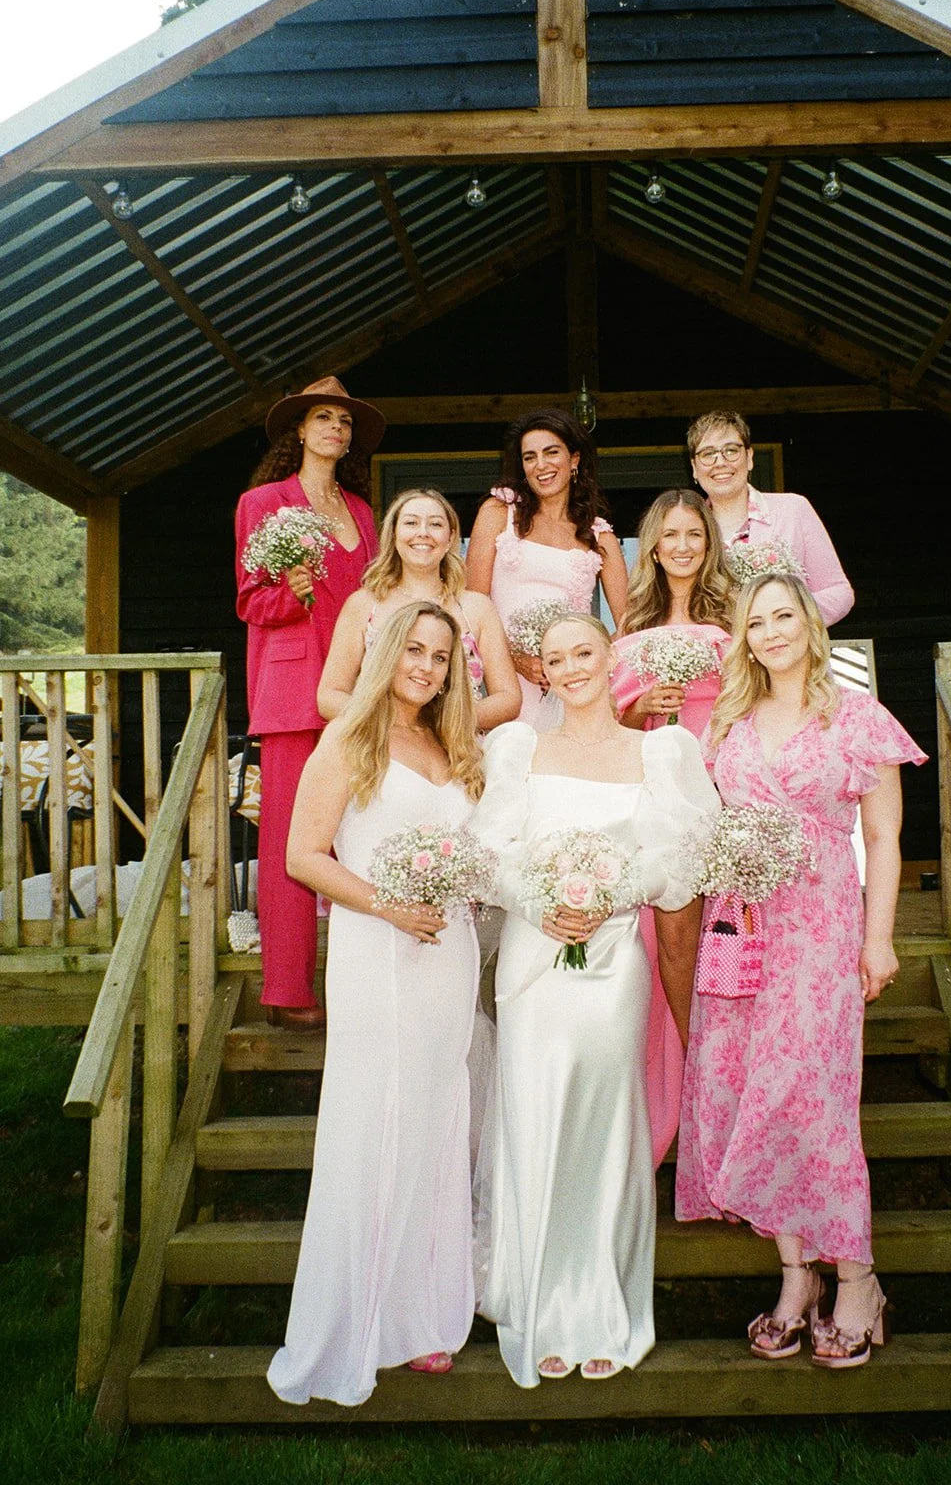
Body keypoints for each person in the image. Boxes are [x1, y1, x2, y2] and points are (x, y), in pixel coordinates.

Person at [675, 573, 926, 1370]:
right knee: (749, 1086)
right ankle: (794, 1279)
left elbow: (883, 839)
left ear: (809, 626)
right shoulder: (730, 720)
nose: (771, 632)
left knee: (811, 1098)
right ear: (743, 638)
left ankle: (856, 1278)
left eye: (784, 616)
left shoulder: (856, 716)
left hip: (820, 928)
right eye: (757, 623)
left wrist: (877, 940)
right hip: (742, 928)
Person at [471, 614, 719, 1387]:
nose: (572, 668)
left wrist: (610, 890)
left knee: (605, 1126)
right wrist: (541, 902)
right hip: (533, 958)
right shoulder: (516, 748)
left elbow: (681, 859)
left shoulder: (661, 750)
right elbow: (488, 855)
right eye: (556, 659)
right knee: (536, 1115)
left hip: (613, 961)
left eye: (585, 652)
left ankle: (601, 1302)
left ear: (612, 659)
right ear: (541, 672)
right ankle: (542, 1302)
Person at [267, 602, 485, 1405]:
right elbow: (301, 856)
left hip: (448, 952)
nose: (425, 667)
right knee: (376, 1123)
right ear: (387, 653)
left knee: (433, 1120)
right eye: (413, 651)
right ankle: (355, 1325)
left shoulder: (451, 745)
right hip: (377, 951)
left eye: (439, 656)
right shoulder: (349, 739)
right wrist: (387, 905)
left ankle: (421, 1317)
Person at [235, 375, 382, 1031]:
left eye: (344, 422)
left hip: (358, 694)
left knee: (362, 834)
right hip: (294, 693)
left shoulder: (363, 511)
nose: (335, 429)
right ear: (299, 429)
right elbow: (249, 601)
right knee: (292, 842)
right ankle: (287, 990)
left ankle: (367, 981)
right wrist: (290, 590)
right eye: (323, 418)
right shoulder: (262, 502)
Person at [609, 489, 735, 1166]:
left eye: (693, 534)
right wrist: (642, 710)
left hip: (722, 792)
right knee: (668, 950)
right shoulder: (630, 629)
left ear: (707, 544)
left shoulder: (737, 622)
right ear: (652, 547)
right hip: (655, 804)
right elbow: (613, 731)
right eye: (670, 535)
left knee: (726, 949)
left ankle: (723, 1098)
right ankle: (676, 1102)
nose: (682, 546)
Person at [466, 409, 628, 724]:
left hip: (567, 688)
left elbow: (628, 622)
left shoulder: (599, 536)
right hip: (501, 682)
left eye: (551, 452)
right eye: (530, 457)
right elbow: (473, 605)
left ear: (574, 459)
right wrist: (513, 659)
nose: (541, 465)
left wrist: (583, 663)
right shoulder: (499, 512)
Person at [317, 487, 520, 733]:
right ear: (393, 535)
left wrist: (445, 723)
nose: (423, 533)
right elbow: (329, 696)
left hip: (458, 751)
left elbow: (508, 698)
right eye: (411, 523)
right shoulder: (363, 604)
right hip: (383, 749)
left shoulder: (476, 608)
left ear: (450, 538)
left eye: (435, 524)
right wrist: (393, 725)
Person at [688, 409, 854, 627]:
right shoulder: (689, 529)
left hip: (788, 655)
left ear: (749, 458)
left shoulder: (794, 509)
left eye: (731, 450)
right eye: (708, 454)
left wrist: (787, 617)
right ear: (694, 468)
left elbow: (840, 593)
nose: (720, 462)